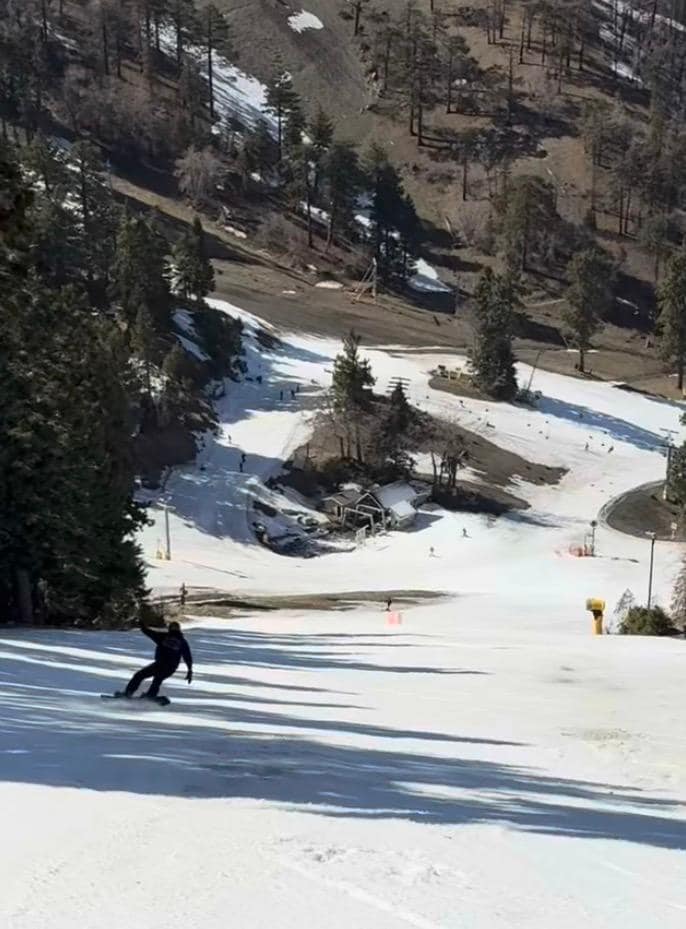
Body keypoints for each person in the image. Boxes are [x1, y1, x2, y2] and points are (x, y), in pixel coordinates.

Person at [124, 620, 193, 699]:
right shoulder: (182, 642)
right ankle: (149, 695)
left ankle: (130, 693)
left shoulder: (163, 637)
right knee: (155, 679)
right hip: (169, 667)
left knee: (143, 676)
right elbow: (187, 657)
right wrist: (190, 670)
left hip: (162, 665)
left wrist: (142, 626)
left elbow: (149, 633)